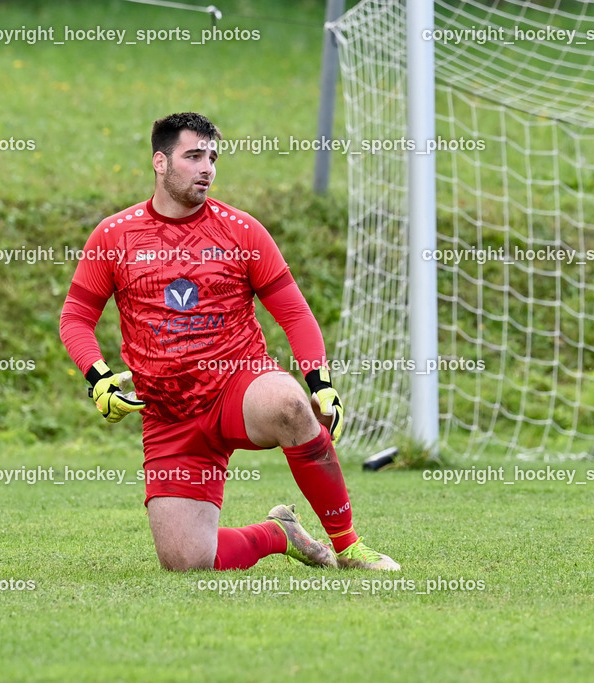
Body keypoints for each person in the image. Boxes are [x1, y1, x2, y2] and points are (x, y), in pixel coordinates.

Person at [59, 112, 399, 572]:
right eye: (193, 156)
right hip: (168, 413)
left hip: (238, 384)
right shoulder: (114, 235)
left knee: (291, 405)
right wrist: (96, 377)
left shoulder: (241, 231)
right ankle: (279, 533)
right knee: (186, 562)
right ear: (160, 162)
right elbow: (76, 317)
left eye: (213, 158)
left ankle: (349, 546)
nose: (207, 169)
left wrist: (319, 380)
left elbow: (294, 311)